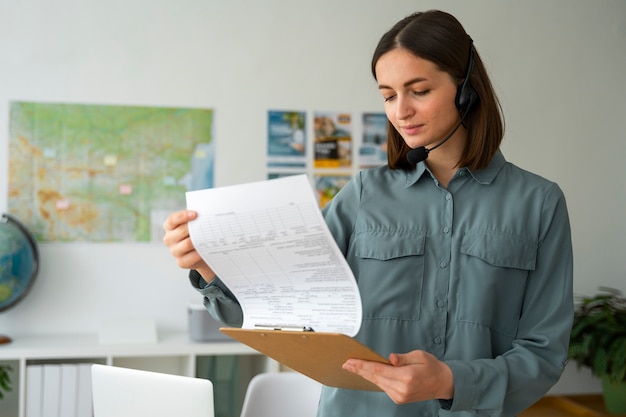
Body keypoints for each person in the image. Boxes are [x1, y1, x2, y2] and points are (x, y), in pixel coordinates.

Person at [163, 9, 573, 417]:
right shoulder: (362, 195)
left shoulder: (539, 203)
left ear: (466, 90)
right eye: (389, 95)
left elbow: (544, 353)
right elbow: (285, 317)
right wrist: (212, 268)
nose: (401, 111)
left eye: (419, 91)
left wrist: (451, 380)